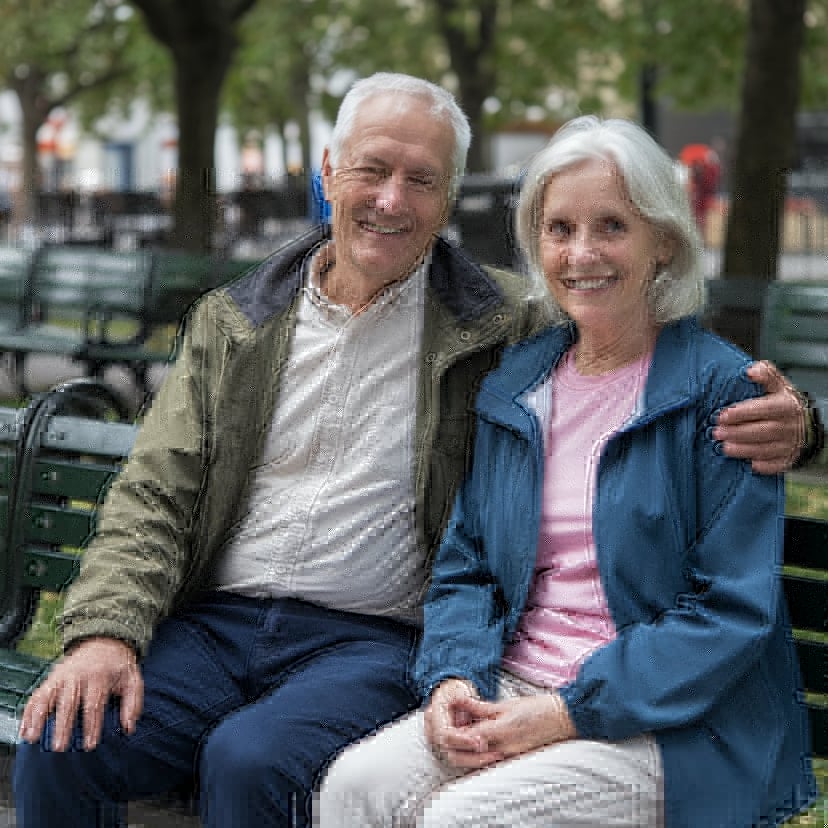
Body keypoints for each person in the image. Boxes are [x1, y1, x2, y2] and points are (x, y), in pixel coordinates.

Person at [11, 74, 818, 828]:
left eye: (423, 180)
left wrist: (803, 420)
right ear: (328, 172)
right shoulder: (238, 323)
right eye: (372, 171)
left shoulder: (498, 330)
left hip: (368, 640)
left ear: (449, 198)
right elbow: (156, 492)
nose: (392, 200)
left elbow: (651, 354)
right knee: (61, 741)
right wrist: (103, 634)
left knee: (253, 761)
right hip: (221, 623)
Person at [317, 116, 817, 828]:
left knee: (460, 820)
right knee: (353, 789)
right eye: (559, 229)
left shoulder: (722, 393)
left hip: (669, 722)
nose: (583, 253)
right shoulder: (520, 382)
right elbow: (469, 566)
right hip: (513, 685)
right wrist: (454, 675)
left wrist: (562, 713)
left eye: (612, 225)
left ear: (663, 242)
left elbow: (726, 614)